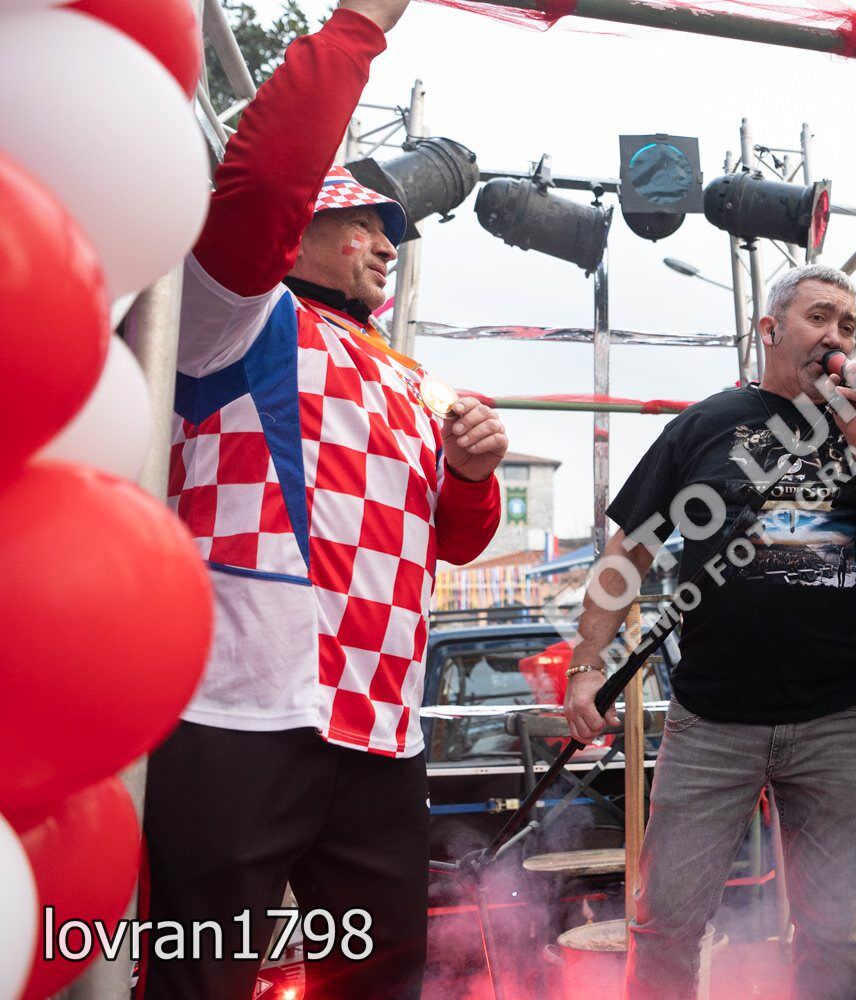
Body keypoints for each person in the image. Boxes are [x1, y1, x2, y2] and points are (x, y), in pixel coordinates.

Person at [138, 4, 506, 997]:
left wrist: (473, 477)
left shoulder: (410, 375)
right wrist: (359, 26)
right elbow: (264, 178)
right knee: (200, 980)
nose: (387, 244)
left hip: (384, 728)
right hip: (237, 711)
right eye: (363, 223)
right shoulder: (237, 314)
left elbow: (451, 542)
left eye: (393, 232)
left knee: (381, 982)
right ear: (298, 231)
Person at [563, 264, 856, 1000]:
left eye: (847, 324)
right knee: (668, 921)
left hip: (839, 717)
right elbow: (630, 549)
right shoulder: (706, 425)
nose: (835, 336)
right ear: (769, 330)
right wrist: (587, 663)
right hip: (713, 720)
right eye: (818, 317)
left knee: (834, 930)